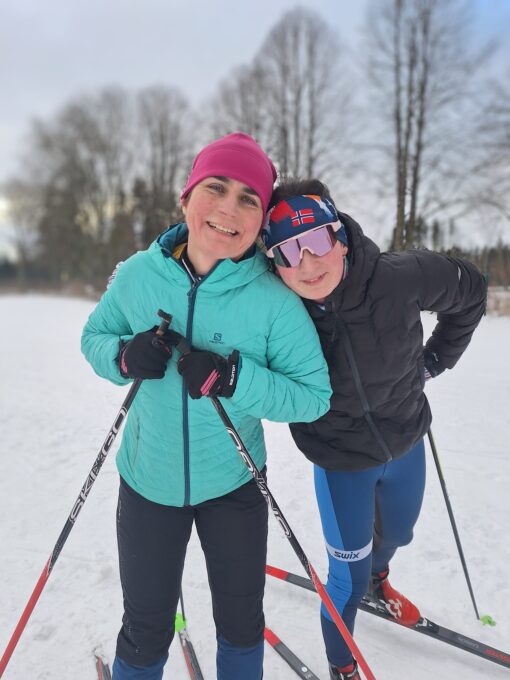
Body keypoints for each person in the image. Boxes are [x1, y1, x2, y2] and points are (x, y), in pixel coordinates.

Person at [81, 135, 332, 680]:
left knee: (241, 625)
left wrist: (235, 378)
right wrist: (123, 356)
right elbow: (94, 337)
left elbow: (313, 395)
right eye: (215, 188)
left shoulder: (273, 299)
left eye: (248, 198)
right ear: (186, 197)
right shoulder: (138, 276)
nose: (228, 209)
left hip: (234, 486)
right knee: (145, 628)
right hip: (149, 482)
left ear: (261, 219)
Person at [261, 180, 487, 680]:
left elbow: (470, 289)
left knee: (399, 533)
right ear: (274, 262)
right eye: (288, 251)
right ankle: (342, 666)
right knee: (345, 577)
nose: (307, 263)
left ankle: (377, 580)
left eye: (316, 240)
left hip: (406, 439)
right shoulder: (275, 307)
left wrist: (435, 360)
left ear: (340, 237)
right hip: (340, 459)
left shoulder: (398, 278)